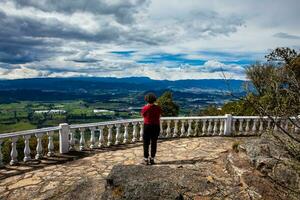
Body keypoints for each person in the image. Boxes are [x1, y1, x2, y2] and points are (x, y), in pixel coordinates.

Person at [141, 93, 162, 165]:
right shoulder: (158, 107)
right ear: (154, 99)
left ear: (146, 100)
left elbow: (143, 115)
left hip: (147, 126)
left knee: (146, 143)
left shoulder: (145, 108)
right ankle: (152, 158)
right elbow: (159, 114)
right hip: (156, 126)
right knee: (154, 143)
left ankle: (146, 159)